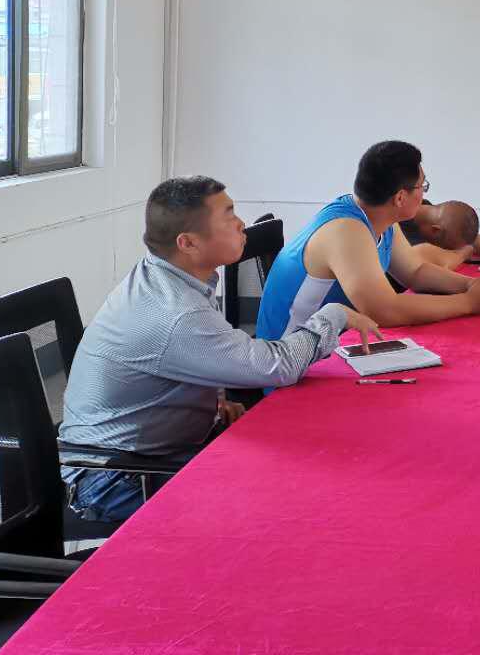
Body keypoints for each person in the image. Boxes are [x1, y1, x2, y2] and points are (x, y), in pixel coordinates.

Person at [58, 177, 385, 524]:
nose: (240, 223)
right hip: (115, 477)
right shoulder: (177, 312)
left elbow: (182, 358)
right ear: (188, 243)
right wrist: (334, 315)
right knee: (284, 496)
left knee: (301, 457)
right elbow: (278, 367)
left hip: (145, 451)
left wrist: (209, 404)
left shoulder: (168, 275)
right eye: (228, 215)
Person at [257, 141, 480, 338]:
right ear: (400, 198)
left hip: (330, 343)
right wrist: (468, 302)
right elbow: (385, 310)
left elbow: (415, 272)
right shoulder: (346, 231)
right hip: (289, 360)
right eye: (422, 186)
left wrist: (470, 285)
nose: (424, 194)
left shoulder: (378, 218)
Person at [400, 198, 480, 269]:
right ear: (435, 231)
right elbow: (441, 262)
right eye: (449, 248)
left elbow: (469, 238)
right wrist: (463, 253)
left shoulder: (428, 214)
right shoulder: (401, 226)